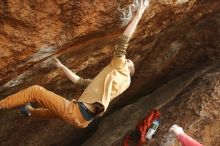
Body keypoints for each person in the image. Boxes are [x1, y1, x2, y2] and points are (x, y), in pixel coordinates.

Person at [0, 0, 150, 128]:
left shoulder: (121, 68)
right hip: (82, 120)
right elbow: (79, 81)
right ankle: (29, 111)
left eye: (128, 61)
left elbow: (124, 41)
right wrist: (62, 67)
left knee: (35, 91)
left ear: (127, 69)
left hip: (77, 112)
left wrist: (139, 13)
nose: (126, 59)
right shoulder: (108, 86)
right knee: (54, 112)